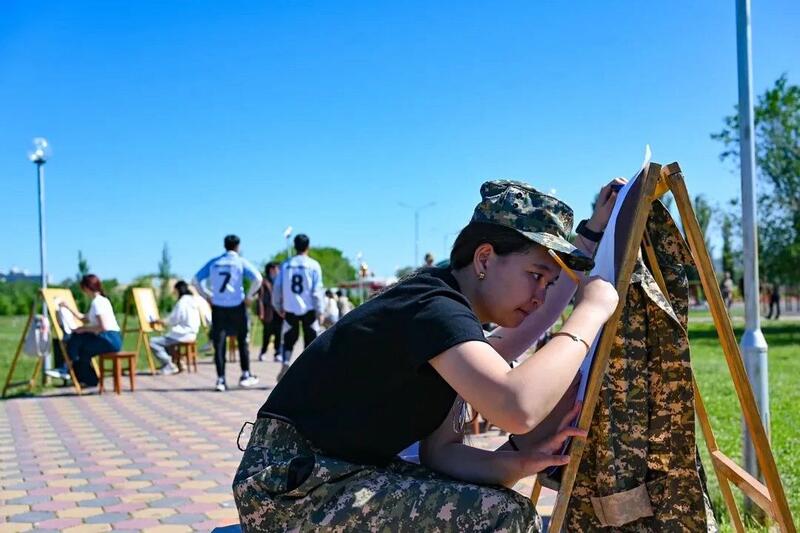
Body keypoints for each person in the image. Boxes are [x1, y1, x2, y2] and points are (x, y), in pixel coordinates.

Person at [234, 179, 622, 532]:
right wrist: (590, 311)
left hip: (321, 476)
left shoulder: (447, 311)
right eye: (535, 276)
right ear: (484, 259)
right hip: (286, 488)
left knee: (498, 504)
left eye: (550, 283)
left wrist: (519, 464)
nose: (540, 296)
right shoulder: (433, 307)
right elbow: (516, 406)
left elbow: (442, 453)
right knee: (504, 516)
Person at [193, 234, 262, 392]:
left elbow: (195, 280)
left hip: (218, 306)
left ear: (224, 246)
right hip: (237, 304)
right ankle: (245, 374)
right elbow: (258, 278)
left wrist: (207, 296)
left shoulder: (214, 262)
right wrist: (249, 296)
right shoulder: (240, 262)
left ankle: (221, 379)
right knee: (242, 340)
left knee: (219, 343)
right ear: (238, 246)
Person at [46, 274, 123, 387]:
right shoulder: (101, 301)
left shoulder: (98, 303)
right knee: (82, 353)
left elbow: (103, 327)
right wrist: (67, 307)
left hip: (109, 338)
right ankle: (90, 380)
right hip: (112, 338)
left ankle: (64, 368)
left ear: (87, 288)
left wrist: (83, 329)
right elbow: (84, 318)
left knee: (77, 339)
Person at [272, 233, 324, 378]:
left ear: (294, 247)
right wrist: (320, 310)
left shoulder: (286, 265)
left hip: (290, 308)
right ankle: (310, 369)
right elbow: (317, 290)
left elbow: (277, 287)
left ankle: (286, 361)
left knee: (289, 339)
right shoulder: (314, 265)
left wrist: (278, 306)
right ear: (308, 246)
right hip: (309, 308)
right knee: (311, 340)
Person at [149, 281, 201, 375]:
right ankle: (179, 362)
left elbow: (173, 320)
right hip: (192, 334)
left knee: (153, 342)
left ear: (178, 290)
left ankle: (169, 364)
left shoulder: (182, 302)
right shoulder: (193, 301)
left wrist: (159, 321)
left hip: (182, 334)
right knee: (168, 341)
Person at [257, 262, 283, 362]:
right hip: (268, 312)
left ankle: (278, 353)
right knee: (267, 334)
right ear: (271, 270)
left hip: (279, 312)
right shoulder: (264, 282)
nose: (278, 271)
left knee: (279, 334)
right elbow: (260, 299)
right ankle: (263, 352)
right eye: (276, 269)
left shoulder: (281, 281)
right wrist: (261, 312)